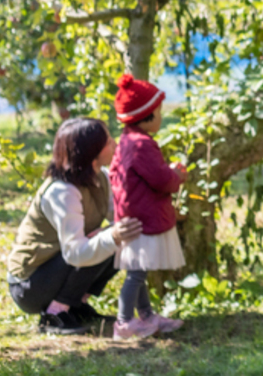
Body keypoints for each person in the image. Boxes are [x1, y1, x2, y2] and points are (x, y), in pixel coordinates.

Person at [6, 118, 144, 336]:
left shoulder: (101, 179)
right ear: (92, 151)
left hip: (58, 267)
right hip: (30, 284)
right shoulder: (62, 191)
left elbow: (119, 215)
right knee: (107, 238)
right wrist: (112, 235)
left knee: (117, 238)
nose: (114, 144)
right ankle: (55, 314)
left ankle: (74, 305)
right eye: (108, 141)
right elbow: (75, 253)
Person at [108, 74, 187, 340]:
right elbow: (162, 179)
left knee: (138, 269)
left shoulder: (126, 141)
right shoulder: (142, 145)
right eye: (158, 113)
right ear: (147, 115)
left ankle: (146, 315)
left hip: (132, 215)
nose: (161, 118)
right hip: (142, 218)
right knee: (137, 273)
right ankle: (124, 322)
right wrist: (177, 175)